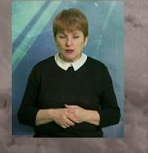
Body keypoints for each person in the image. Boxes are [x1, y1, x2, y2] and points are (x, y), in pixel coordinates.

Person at [17, 8, 121, 137]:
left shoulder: (99, 70)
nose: (69, 43)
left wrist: (84, 115)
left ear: (86, 40)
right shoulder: (40, 70)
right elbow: (23, 115)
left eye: (76, 36)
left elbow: (114, 115)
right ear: (55, 39)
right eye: (62, 36)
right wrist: (53, 115)